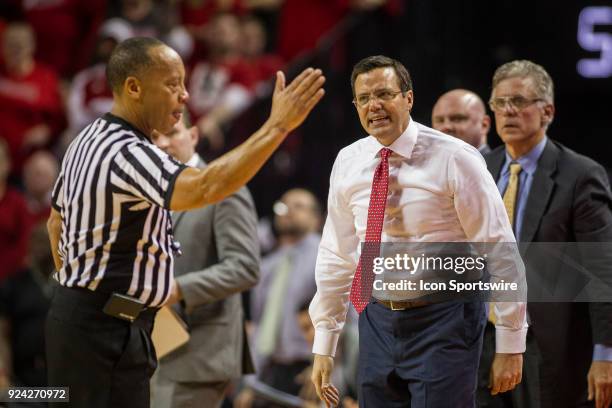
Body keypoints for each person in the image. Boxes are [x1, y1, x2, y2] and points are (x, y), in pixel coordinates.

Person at [45, 36, 324, 408]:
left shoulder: (86, 140)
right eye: (172, 83)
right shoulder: (128, 151)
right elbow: (206, 186)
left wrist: (76, 292)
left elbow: (54, 225)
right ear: (134, 88)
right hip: (104, 329)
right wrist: (277, 128)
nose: (185, 95)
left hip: (85, 322)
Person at [308, 55, 527, 407]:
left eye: (383, 94)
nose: (374, 106)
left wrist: (511, 343)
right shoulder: (348, 161)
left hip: (445, 319)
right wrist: (324, 343)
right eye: (363, 98)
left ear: (408, 98)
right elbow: (337, 254)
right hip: (375, 318)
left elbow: (499, 249)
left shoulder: (456, 157)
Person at [480, 59, 612, 408]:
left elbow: (603, 269)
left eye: (519, 101)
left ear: (547, 111)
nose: (507, 111)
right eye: (499, 103)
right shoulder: (481, 169)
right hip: (482, 341)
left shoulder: (580, 175)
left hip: (548, 347)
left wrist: (606, 354)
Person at [149, 114, 260, 408]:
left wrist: (178, 289)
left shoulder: (224, 186)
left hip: (199, 352)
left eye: (171, 133)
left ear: (194, 136)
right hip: (152, 347)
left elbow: (245, 267)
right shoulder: (148, 195)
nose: (161, 143)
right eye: (153, 136)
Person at [235, 188, 322, 408]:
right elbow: (260, 326)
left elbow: (348, 317)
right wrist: (250, 383)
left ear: (316, 219)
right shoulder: (267, 266)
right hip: (270, 370)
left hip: (309, 368)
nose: (289, 211)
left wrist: (327, 368)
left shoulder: (327, 257)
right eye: (283, 206)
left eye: (299, 206)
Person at [431, 88, 492, 153]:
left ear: (484, 125)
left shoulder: (498, 163)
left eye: (457, 119)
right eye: (440, 120)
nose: (446, 126)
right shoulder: (428, 162)